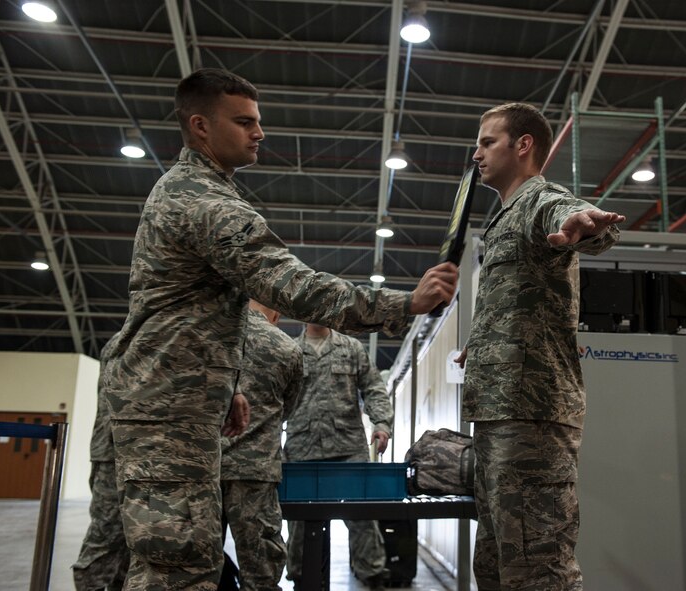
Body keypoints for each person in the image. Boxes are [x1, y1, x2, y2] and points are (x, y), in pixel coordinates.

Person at [102, 68, 458, 590]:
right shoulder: (204, 202)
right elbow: (291, 285)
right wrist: (405, 302)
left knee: (192, 556)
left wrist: (226, 389)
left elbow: (204, 316)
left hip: (184, 402)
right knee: (175, 565)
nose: (259, 132)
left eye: (258, 121)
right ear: (200, 126)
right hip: (167, 408)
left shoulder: (201, 192)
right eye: (243, 121)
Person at [455, 102, 625, 591]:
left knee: (538, 565)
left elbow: (574, 217)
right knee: (495, 562)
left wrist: (586, 224)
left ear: (522, 144)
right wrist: (482, 341)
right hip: (500, 414)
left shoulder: (538, 200)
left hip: (531, 416)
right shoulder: (504, 215)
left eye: (487, 142)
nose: (477, 153)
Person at [284, 323, 392, 590]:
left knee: (362, 519)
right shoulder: (290, 350)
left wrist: (381, 424)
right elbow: (273, 396)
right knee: (299, 525)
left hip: (348, 450)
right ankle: (300, 578)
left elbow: (374, 388)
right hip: (302, 450)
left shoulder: (351, 348)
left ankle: (373, 576)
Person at [220, 300, 303, 590]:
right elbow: (288, 408)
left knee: (197, 564)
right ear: (276, 315)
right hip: (255, 472)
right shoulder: (287, 348)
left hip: (204, 468)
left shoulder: (214, 336)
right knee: (261, 570)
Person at [72, 333, 130, 590]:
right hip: (115, 456)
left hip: (138, 457)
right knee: (107, 536)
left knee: (133, 546)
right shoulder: (126, 340)